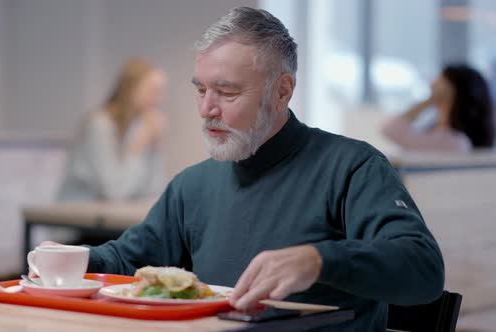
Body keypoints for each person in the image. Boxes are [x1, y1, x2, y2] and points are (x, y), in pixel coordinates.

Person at [38, 7, 444, 330]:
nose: (206, 109)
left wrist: (320, 260)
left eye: (227, 92)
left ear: (282, 90)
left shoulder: (353, 167)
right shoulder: (193, 186)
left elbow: (422, 268)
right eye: (200, 89)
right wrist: (76, 259)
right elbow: (128, 260)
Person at [57, 58, 167, 201]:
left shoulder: (137, 126)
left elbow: (152, 190)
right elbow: (115, 191)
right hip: (77, 214)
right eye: (153, 90)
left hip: (110, 214)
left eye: (161, 92)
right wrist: (139, 144)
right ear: (130, 89)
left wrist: (155, 149)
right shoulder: (99, 124)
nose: (159, 99)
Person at [383, 64, 495, 152]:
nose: (432, 84)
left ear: (452, 92)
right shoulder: (435, 133)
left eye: (440, 80)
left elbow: (391, 129)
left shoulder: (456, 142)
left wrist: (429, 100)